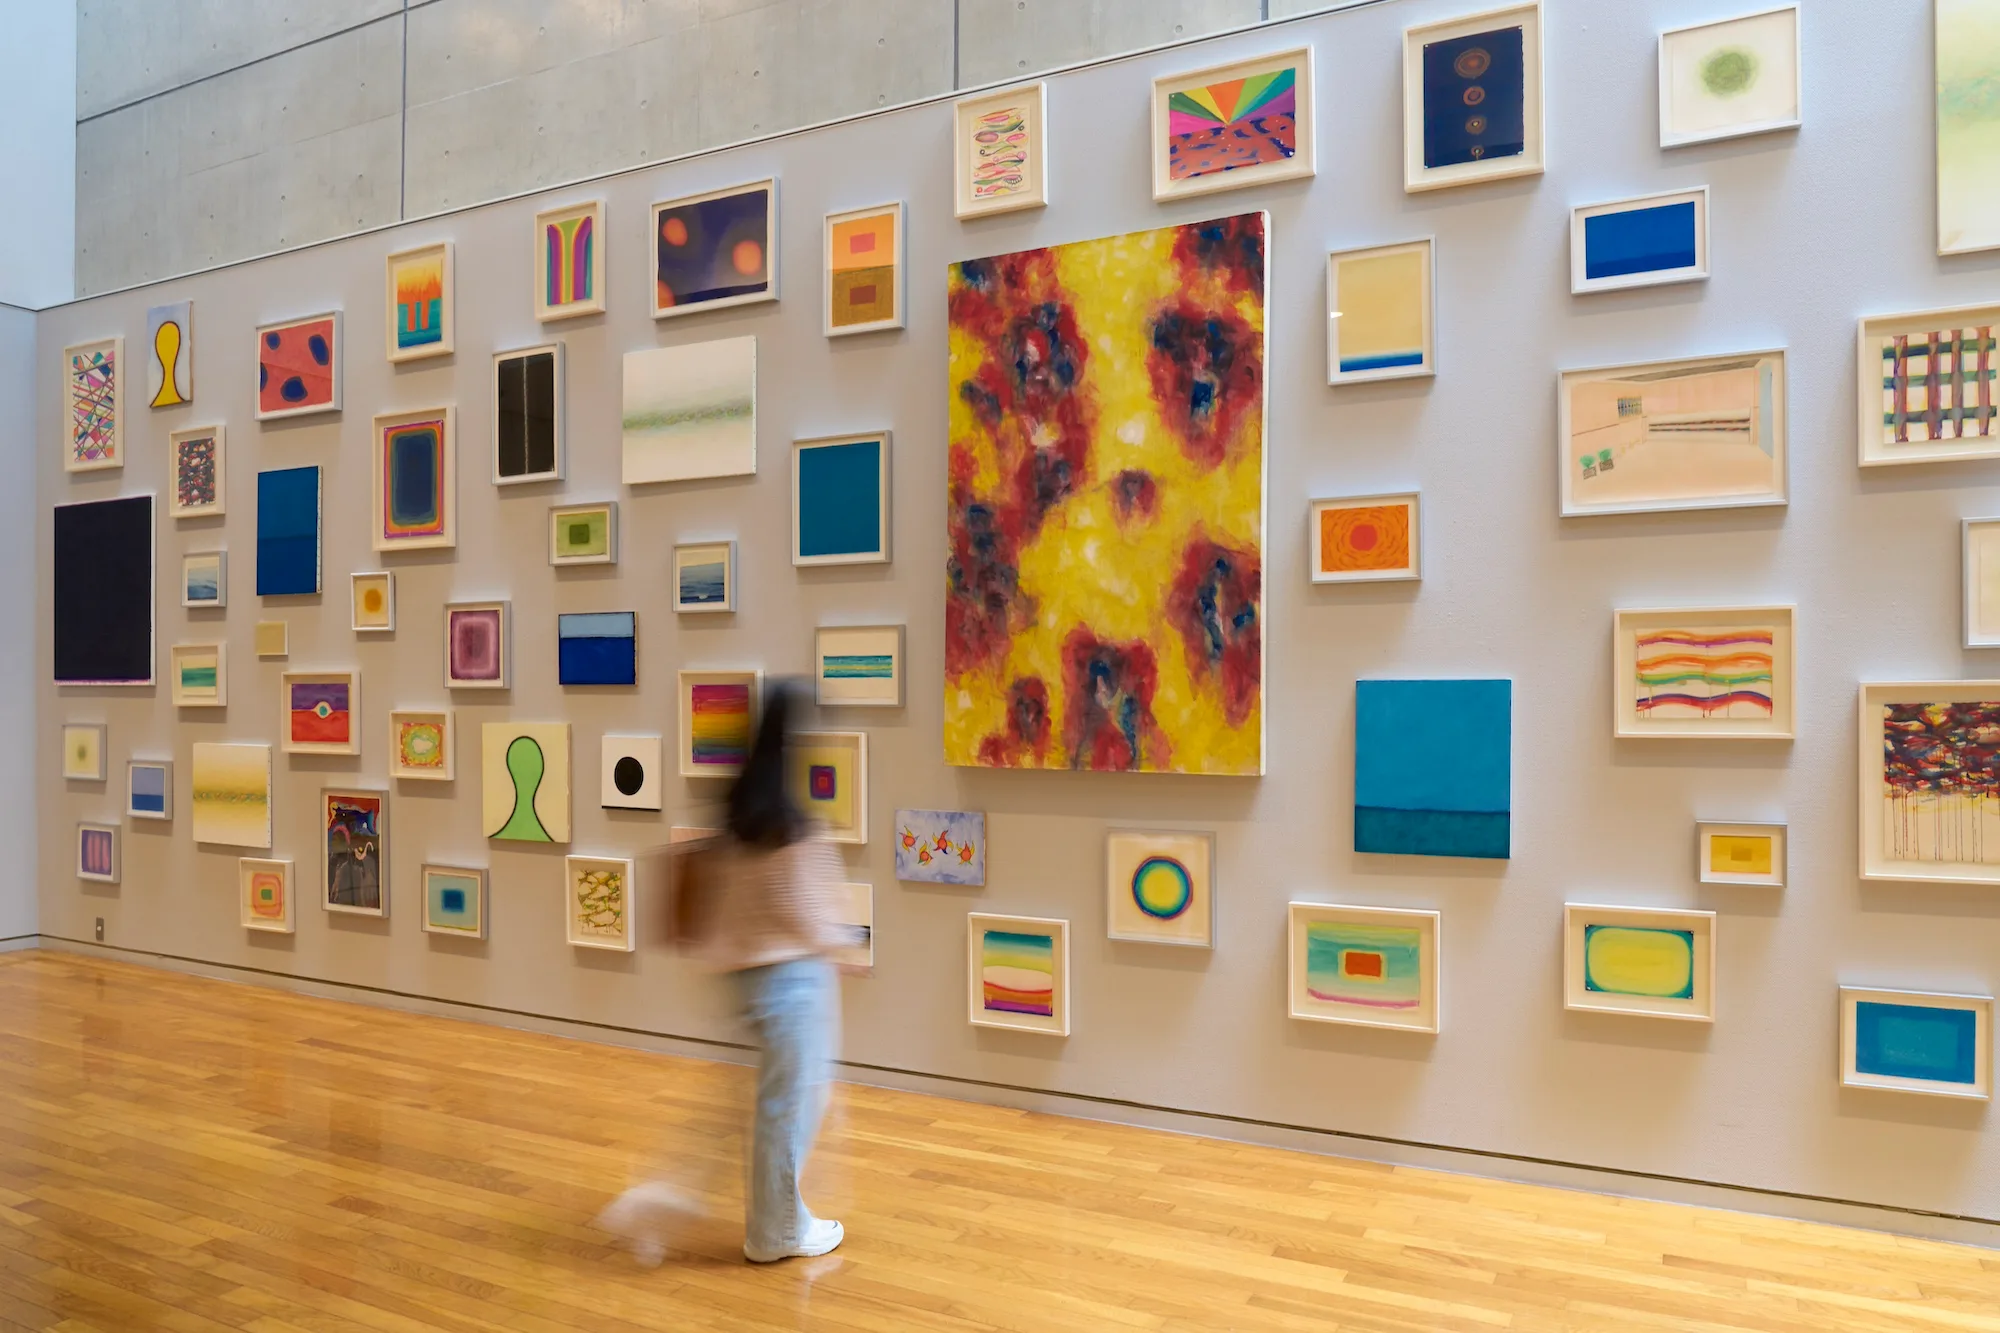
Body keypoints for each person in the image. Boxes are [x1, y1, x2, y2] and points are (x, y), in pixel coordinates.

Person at [597, 681, 850, 1265]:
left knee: (751, 1110)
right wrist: (842, 944)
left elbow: (726, 907)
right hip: (795, 984)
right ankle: (774, 1231)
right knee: (789, 1111)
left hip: (742, 982)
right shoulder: (792, 826)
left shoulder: (736, 818)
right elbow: (803, 910)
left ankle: (676, 1199)